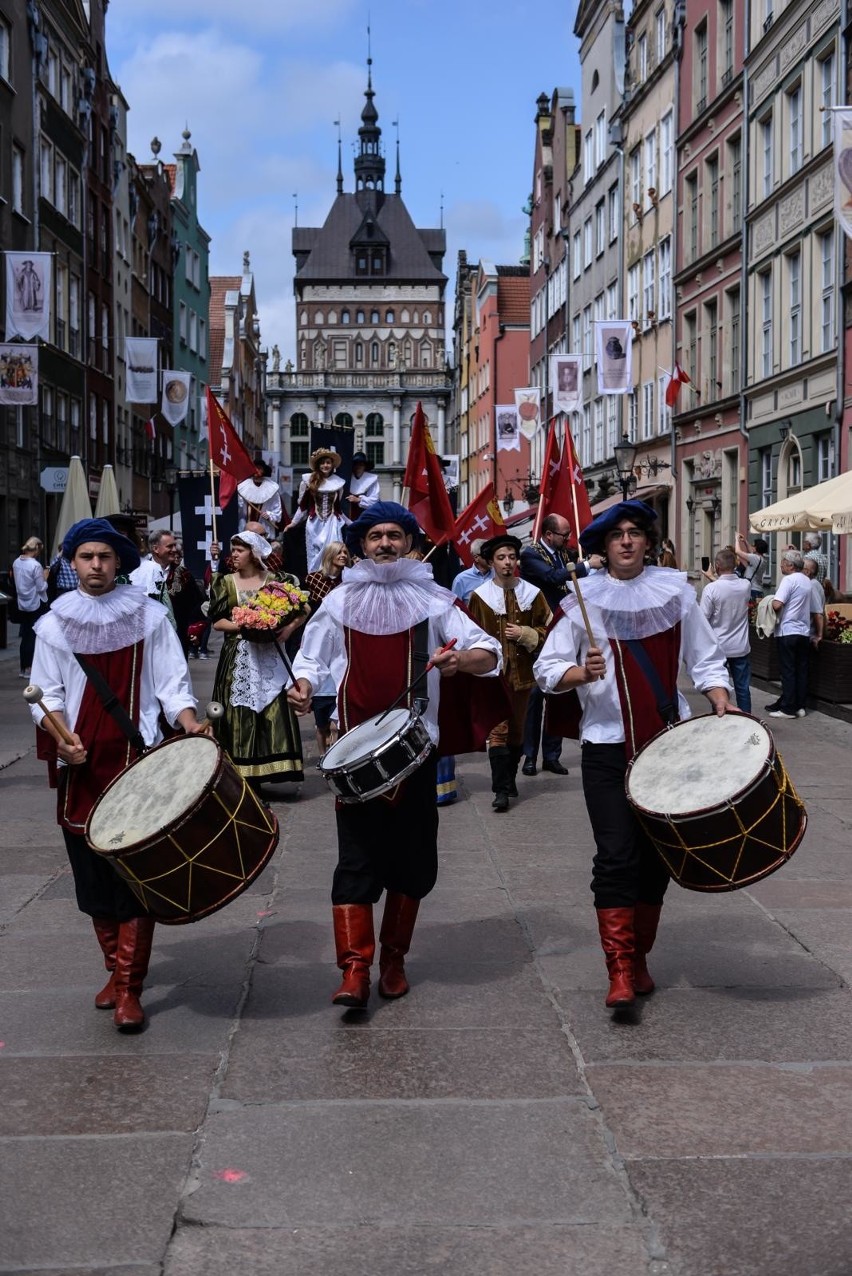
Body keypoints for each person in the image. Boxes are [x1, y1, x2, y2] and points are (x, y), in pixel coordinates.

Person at [288, 501, 501, 1009]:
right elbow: (312, 659)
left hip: (416, 751)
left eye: (395, 536)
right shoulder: (339, 602)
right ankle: (354, 968)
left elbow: (489, 652)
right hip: (353, 756)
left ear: (410, 543)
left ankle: (394, 960)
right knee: (355, 860)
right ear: (361, 546)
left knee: (413, 861)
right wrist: (301, 686)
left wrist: (459, 661)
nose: (385, 544)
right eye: (375, 536)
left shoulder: (436, 600)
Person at [534, 500, 733, 1011]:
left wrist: (718, 694)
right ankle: (619, 969)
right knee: (615, 855)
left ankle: (639, 957)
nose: (626, 541)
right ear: (603, 546)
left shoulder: (676, 594)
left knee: (655, 860)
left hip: (668, 746)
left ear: (649, 541)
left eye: (635, 533)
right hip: (607, 748)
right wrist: (581, 672)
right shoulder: (583, 600)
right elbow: (546, 668)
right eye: (616, 535)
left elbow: (705, 656)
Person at [28, 518, 208, 1032]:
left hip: (137, 760)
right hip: (82, 763)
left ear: (119, 563)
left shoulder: (149, 618)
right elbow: (47, 694)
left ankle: (129, 989)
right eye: (86, 557)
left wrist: (191, 722)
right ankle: (114, 968)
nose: (96, 566)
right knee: (91, 878)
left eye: (105, 557)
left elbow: (173, 685)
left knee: (134, 878)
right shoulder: (53, 624)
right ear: (72, 563)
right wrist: (63, 737)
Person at [208, 531, 307, 789]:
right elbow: (217, 622)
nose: (234, 555)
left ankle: (266, 768)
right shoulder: (225, 582)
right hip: (237, 656)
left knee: (273, 708)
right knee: (238, 712)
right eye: (233, 550)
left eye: (239, 550)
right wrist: (246, 624)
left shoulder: (276, 581)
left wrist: (287, 629)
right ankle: (240, 771)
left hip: (269, 654)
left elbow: (304, 608)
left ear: (253, 552)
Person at [468, 535, 551, 813]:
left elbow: (550, 630)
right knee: (498, 731)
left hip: (523, 675)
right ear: (491, 562)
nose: (507, 563)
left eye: (512, 558)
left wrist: (527, 634)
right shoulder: (480, 597)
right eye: (502, 558)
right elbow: (471, 634)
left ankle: (510, 777)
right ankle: (500, 790)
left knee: (517, 731)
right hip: (494, 677)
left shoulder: (533, 594)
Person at [519, 514, 602, 777]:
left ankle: (552, 755)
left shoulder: (565, 553)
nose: (568, 540)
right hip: (538, 631)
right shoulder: (531, 554)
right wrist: (587, 565)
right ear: (548, 535)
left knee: (559, 693)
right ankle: (530, 756)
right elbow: (555, 577)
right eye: (564, 535)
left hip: (565, 628)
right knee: (535, 698)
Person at [304, 540, 351, 755]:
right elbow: (306, 610)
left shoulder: (350, 580)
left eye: (345, 551)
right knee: (322, 711)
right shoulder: (313, 579)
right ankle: (323, 753)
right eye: (339, 552)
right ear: (329, 554)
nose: (343, 555)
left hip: (344, 638)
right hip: (320, 639)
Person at [767, 549, 821, 719]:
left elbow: (777, 605)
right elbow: (814, 609)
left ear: (790, 565)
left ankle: (788, 708)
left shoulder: (788, 580)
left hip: (787, 630)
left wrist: (769, 601)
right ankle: (799, 706)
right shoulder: (807, 581)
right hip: (803, 631)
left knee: (788, 671)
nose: (781, 564)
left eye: (783, 562)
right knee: (801, 670)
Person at [699, 547, 753, 713]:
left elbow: (703, 619)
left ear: (717, 565)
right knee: (743, 688)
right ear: (735, 564)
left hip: (719, 647)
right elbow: (730, 587)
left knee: (718, 687)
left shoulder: (711, 589)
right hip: (740, 647)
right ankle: (747, 720)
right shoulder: (746, 585)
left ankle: (720, 717)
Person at [288, 447, 347, 573]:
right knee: (315, 553)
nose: (325, 465)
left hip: (331, 523)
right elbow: (303, 506)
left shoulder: (338, 484)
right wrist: (293, 523)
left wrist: (352, 523)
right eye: (322, 462)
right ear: (318, 465)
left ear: (332, 465)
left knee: (334, 551)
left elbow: (338, 509)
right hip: (315, 524)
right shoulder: (309, 482)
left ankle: (333, 581)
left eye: (328, 462)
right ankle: (316, 581)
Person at [13, 536, 48, 678]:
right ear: (37, 548)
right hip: (35, 602)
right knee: (33, 636)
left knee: (25, 635)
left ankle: (23, 667)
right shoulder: (35, 565)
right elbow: (41, 587)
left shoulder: (16, 562)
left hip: (22, 603)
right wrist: (46, 577)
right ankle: (29, 668)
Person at [129, 529, 178, 626]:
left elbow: (194, 607)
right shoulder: (137, 571)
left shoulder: (183, 574)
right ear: (156, 549)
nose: (174, 550)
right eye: (169, 546)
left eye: (174, 545)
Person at [238, 461, 284, 540]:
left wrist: (269, 515)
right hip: (246, 529)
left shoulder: (272, 489)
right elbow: (239, 509)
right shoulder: (242, 487)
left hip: (265, 529)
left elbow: (277, 512)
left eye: (259, 468)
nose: (256, 470)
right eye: (254, 468)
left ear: (264, 470)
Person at [734, 533, 769, 599]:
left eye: (753, 545)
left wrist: (737, 540)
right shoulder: (763, 559)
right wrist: (745, 541)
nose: (752, 546)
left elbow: (738, 551)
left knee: (749, 608)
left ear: (756, 548)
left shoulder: (755, 558)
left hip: (752, 590)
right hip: (758, 589)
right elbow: (751, 550)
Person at [347, 451, 381, 519]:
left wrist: (359, 500)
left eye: (361, 465)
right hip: (348, 516)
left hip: (366, 516)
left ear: (364, 467)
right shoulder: (347, 478)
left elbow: (374, 501)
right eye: (356, 464)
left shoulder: (372, 480)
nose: (358, 467)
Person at [803, 557, 826, 650]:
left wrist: (819, 636)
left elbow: (818, 613)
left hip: (808, 635)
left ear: (807, 572)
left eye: (801, 567)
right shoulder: (812, 583)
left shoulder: (811, 585)